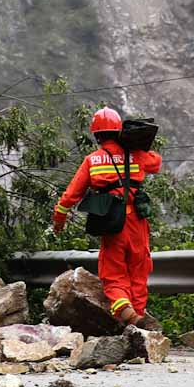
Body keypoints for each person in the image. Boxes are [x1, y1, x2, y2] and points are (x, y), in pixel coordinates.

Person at [53, 107, 162, 328]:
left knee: (113, 275)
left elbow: (71, 195)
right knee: (139, 273)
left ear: (97, 135)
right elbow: (156, 163)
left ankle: (127, 314)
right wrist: (137, 145)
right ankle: (138, 320)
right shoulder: (136, 155)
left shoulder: (93, 160)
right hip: (138, 224)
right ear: (119, 130)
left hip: (113, 223)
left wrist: (59, 219)